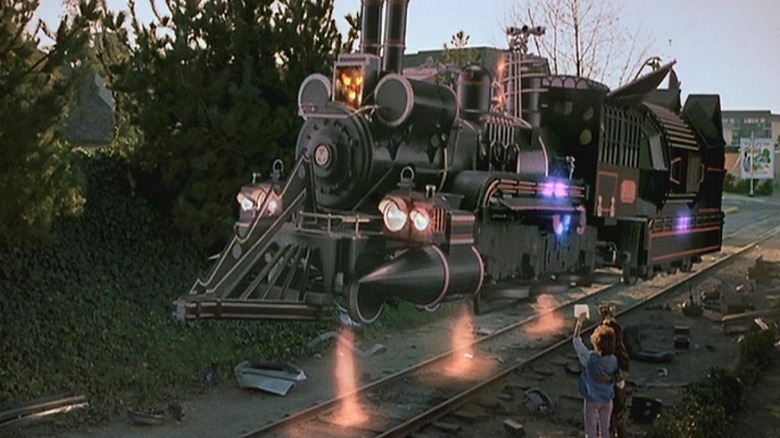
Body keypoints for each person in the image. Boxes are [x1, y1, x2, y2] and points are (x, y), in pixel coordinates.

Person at [573, 312, 618, 438]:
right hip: (607, 399)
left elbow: (576, 341)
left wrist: (579, 322)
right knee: (605, 429)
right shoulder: (614, 360)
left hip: (592, 398)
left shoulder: (589, 358)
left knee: (591, 430)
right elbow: (618, 377)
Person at [599, 304, 631, 438]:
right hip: (605, 393)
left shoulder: (619, 352)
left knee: (614, 422)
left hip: (615, 393)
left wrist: (609, 378)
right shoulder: (607, 349)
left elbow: (623, 374)